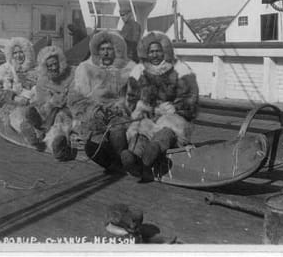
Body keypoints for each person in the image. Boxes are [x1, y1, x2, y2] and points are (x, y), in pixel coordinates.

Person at [122, 31, 199, 181]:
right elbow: (131, 99)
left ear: (165, 52)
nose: (155, 55)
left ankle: (149, 157)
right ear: (146, 53)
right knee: (139, 133)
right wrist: (141, 107)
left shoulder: (180, 69)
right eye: (151, 52)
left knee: (166, 132)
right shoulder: (139, 71)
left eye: (158, 51)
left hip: (172, 119)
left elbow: (191, 97)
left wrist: (176, 107)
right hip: (148, 118)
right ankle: (134, 160)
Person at [66, 30, 136, 171]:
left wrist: (123, 105)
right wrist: (93, 110)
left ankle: (121, 161)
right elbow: (75, 99)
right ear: (97, 51)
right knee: (94, 138)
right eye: (102, 49)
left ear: (116, 50)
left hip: (118, 113)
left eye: (109, 49)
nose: (105, 52)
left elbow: (135, 96)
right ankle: (109, 162)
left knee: (118, 129)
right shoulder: (85, 69)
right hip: (94, 113)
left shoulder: (128, 69)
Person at [19, 46, 76, 160]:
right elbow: (42, 101)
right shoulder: (42, 81)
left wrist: (64, 99)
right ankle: (36, 128)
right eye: (50, 66)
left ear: (61, 62)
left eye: (56, 63)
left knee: (61, 120)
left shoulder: (72, 73)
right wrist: (52, 102)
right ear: (45, 67)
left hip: (69, 111)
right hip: (50, 112)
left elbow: (77, 94)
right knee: (37, 112)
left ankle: (57, 144)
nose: (54, 67)